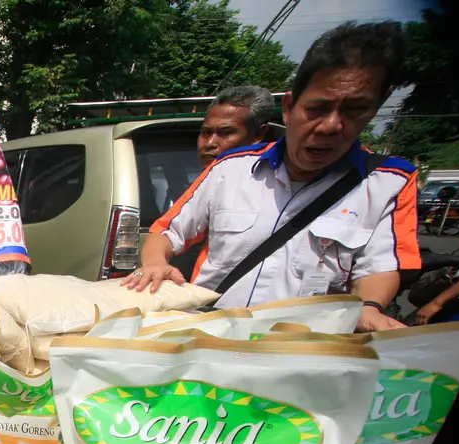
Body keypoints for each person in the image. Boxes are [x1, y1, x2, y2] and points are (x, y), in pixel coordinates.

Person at [125, 22, 419, 333]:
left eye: (354, 110)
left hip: (301, 347)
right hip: (208, 335)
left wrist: (370, 307)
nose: (331, 126)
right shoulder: (230, 168)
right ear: (290, 107)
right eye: (317, 109)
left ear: (375, 109)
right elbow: (167, 232)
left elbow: (379, 267)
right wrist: (156, 262)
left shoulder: (389, 182)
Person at [198, 84, 273, 169]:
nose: (209, 143)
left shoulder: (277, 180)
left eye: (226, 132)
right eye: (206, 132)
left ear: (258, 134)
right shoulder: (197, 182)